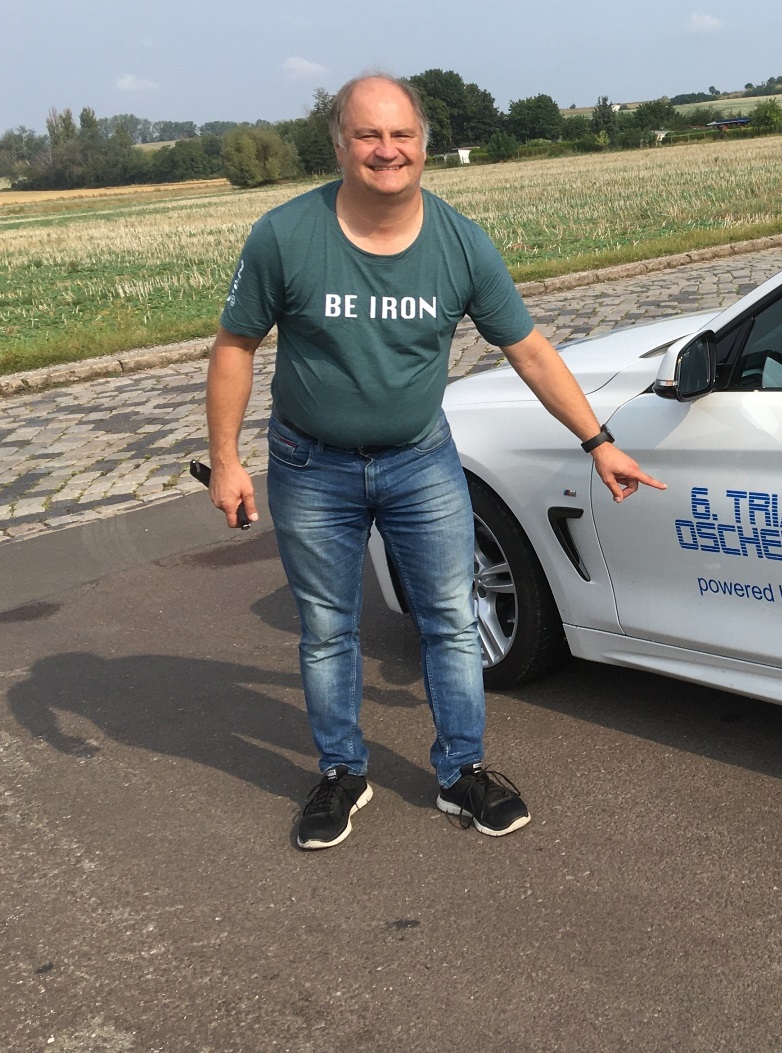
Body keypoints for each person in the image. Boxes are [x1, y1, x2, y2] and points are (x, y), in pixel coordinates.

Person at [205, 72, 664, 851]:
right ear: (340, 144)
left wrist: (598, 439)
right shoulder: (285, 235)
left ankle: (461, 772)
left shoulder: (458, 242)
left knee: (451, 617)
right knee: (326, 627)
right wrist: (226, 459)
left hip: (420, 461)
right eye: (367, 135)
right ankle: (341, 772)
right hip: (310, 465)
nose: (387, 150)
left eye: (402, 135)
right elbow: (235, 347)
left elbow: (529, 350)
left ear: (423, 142)